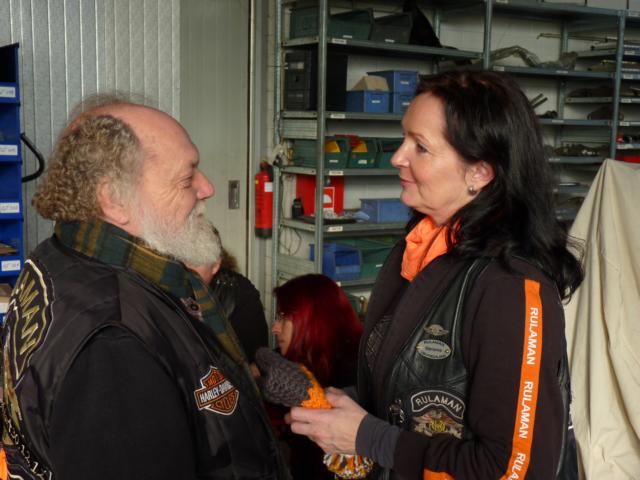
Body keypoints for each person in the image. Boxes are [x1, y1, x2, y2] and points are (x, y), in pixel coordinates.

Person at [287, 70, 584, 479]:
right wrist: (339, 407)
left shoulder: (510, 287)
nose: (397, 157)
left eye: (420, 147)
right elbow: (418, 387)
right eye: (403, 138)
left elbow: (515, 470)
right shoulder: (421, 247)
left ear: (479, 173)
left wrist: (369, 437)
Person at [0, 96, 289, 479]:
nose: (207, 187)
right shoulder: (113, 346)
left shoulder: (58, 257)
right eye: (186, 178)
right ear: (114, 200)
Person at [271, 274, 363, 479]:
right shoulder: (306, 364)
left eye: (283, 317)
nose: (275, 328)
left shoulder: (351, 376)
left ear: (311, 318)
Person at [189, 225, 269, 364]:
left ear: (215, 265)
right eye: (181, 258)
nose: (186, 267)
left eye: (195, 260)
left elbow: (256, 361)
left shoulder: (241, 294)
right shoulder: (168, 285)